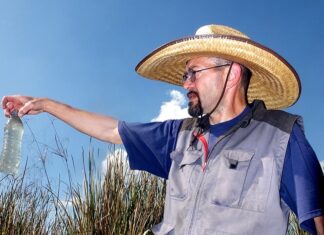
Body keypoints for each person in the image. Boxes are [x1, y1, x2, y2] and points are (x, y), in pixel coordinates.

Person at [2, 24, 324, 235]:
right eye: (186, 75)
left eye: (194, 72)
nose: (186, 84)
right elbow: (112, 130)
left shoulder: (282, 139)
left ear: (233, 73)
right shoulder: (179, 136)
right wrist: (45, 104)